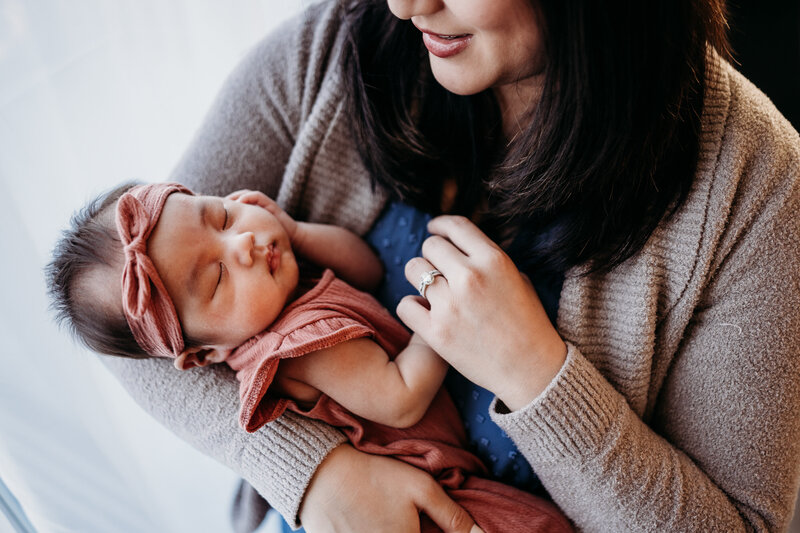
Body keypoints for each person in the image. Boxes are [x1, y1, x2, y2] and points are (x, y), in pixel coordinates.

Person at [78, 0, 800, 531]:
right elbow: (129, 316)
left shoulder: (754, 188)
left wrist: (536, 373)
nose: (405, 5)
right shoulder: (335, 45)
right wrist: (316, 473)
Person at [47, 181, 571, 533]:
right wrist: (440, 320)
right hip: (427, 496)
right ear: (207, 352)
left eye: (223, 215)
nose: (245, 243)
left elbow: (364, 271)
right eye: (218, 277)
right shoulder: (298, 346)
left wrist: (296, 233)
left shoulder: (286, 294)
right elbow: (401, 398)